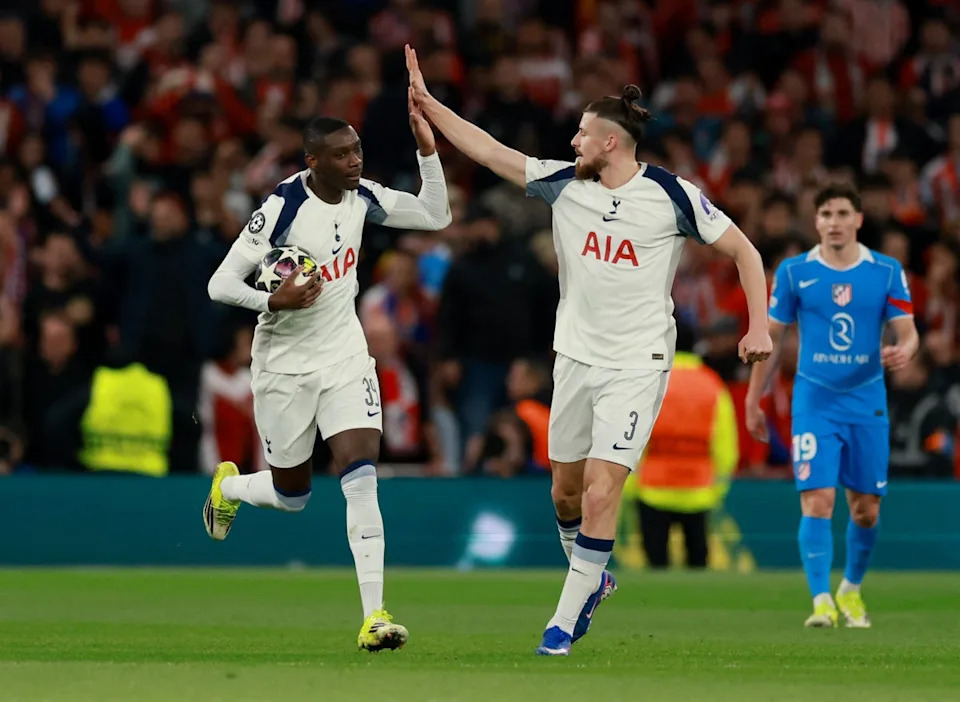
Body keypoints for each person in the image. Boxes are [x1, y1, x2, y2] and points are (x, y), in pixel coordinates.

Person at [406, 44, 773, 656]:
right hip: (573, 358)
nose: (573, 140)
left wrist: (758, 325)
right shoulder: (561, 185)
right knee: (567, 494)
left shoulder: (672, 195)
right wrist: (430, 105)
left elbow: (746, 253)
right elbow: (492, 151)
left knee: (605, 490)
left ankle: (561, 625)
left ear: (610, 143)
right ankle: (593, 578)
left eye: (581, 132)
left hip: (637, 365)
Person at [203, 97, 452, 652]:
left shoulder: (364, 197)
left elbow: (436, 215)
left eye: (357, 150)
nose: (355, 161)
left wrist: (428, 152)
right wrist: (276, 301)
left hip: (345, 357)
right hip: (283, 367)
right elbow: (220, 285)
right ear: (313, 162)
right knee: (293, 494)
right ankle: (232, 487)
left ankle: (375, 617)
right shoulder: (281, 208)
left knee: (361, 475)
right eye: (341, 155)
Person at [745, 183, 919, 629]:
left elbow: (907, 330)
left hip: (866, 403)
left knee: (866, 509)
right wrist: (754, 397)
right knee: (818, 500)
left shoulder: (885, 271)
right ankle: (821, 600)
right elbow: (772, 336)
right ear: (816, 221)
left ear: (858, 220)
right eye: (826, 214)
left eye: (843, 213)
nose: (834, 222)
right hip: (814, 401)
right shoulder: (794, 272)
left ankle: (851, 590)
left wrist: (906, 349)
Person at [629, 320, 738, 569]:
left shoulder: (651, 381)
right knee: (697, 565)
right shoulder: (712, 385)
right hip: (697, 490)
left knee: (656, 566)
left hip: (653, 488)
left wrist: (630, 485)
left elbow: (634, 436)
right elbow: (725, 444)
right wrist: (717, 487)